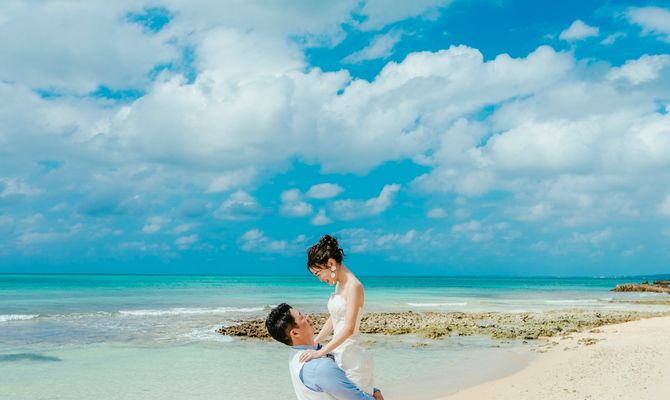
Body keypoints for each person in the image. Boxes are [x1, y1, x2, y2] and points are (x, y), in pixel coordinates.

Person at [302, 235, 375, 395]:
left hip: (353, 357)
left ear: (330, 264)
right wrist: (315, 342)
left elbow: (349, 328)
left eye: (318, 274)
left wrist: (320, 353)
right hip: (340, 353)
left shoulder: (354, 286)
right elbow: (334, 318)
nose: (320, 279)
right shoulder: (340, 284)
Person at [265, 303, 384, 400]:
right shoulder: (320, 366)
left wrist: (372, 389)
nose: (307, 317)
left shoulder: (296, 355)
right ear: (295, 333)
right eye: (302, 317)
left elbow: (343, 384)